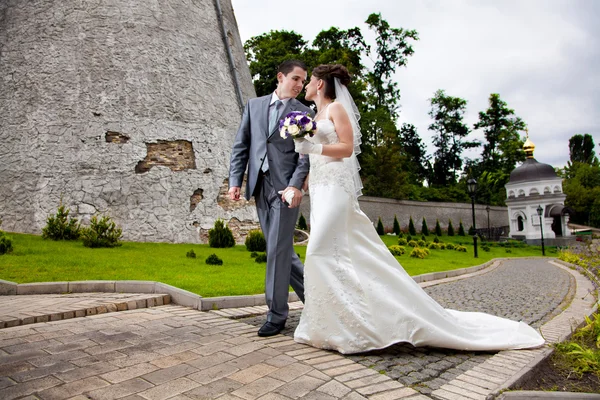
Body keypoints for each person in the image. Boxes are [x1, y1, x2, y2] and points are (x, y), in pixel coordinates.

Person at [292, 64, 545, 354]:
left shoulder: (336, 109)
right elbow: (314, 155)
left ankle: (353, 327)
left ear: (321, 84)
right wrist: (305, 178)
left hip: (336, 189)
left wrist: (313, 149)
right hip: (321, 190)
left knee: (318, 251)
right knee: (336, 255)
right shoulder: (313, 116)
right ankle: (333, 326)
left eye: (310, 80)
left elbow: (347, 148)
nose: (307, 86)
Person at [229, 60, 314, 337]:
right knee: (282, 253)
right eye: (296, 79)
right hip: (259, 186)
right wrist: (235, 181)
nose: (300, 85)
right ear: (280, 77)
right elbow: (242, 145)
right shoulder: (254, 106)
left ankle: (276, 315)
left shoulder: (303, 112)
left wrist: (293, 186)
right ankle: (317, 302)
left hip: (285, 190)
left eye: (303, 81)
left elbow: (305, 157)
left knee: (276, 251)